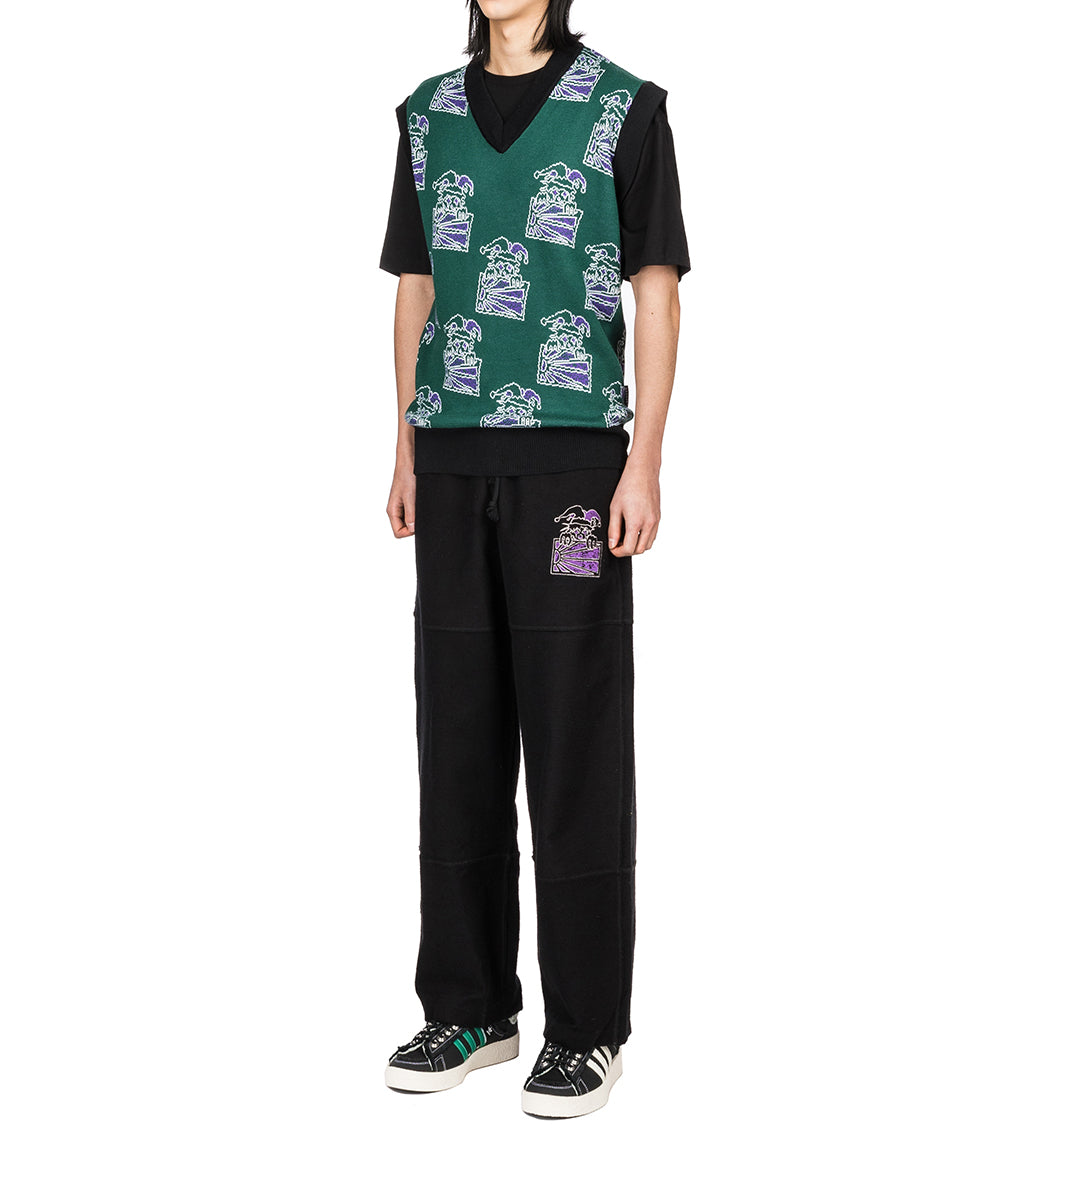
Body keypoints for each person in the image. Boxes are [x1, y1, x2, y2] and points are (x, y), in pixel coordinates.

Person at [379, 0, 689, 1118]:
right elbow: (417, 290)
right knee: (456, 734)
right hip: (453, 457)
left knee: (574, 740)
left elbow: (656, 292)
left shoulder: (625, 110)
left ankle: (587, 1030)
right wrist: (406, 447)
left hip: (573, 463)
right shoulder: (426, 116)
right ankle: (471, 1009)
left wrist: (642, 462)